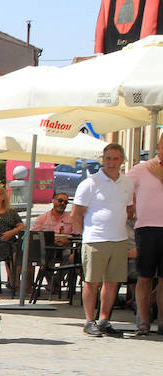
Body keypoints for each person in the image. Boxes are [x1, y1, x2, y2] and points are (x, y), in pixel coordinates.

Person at [72, 142, 135, 337]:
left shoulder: (127, 183)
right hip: (95, 239)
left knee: (113, 282)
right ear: (103, 160)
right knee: (92, 281)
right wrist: (86, 235)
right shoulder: (90, 183)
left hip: (119, 239)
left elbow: (129, 209)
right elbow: (77, 213)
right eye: (108, 158)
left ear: (122, 160)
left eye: (116, 158)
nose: (112, 162)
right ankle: (89, 320)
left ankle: (104, 320)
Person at [125, 150, 163, 336]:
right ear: (159, 147)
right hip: (147, 228)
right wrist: (129, 206)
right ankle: (143, 321)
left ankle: (162, 322)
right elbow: (122, 188)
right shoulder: (142, 169)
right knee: (145, 276)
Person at [0, 179, 26, 289]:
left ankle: (14, 279)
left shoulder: (11, 212)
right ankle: (13, 280)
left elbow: (21, 226)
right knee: (12, 250)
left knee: (18, 250)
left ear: (3, 197)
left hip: (9, 242)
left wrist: (11, 232)